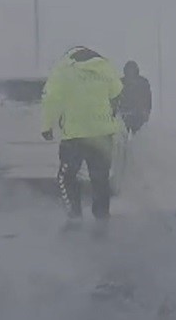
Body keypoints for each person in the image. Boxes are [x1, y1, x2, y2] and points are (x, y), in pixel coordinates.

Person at [41, 46, 123, 232]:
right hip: (102, 134)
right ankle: (102, 217)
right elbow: (117, 91)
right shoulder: (105, 67)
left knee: (66, 176)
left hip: (75, 136)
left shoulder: (63, 69)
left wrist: (47, 126)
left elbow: (51, 98)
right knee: (100, 177)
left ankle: (74, 215)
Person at [119, 60, 152, 135]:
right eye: (128, 70)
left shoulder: (143, 82)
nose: (130, 72)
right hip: (124, 112)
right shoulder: (120, 82)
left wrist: (147, 111)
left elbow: (148, 97)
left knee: (137, 135)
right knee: (123, 134)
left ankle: (136, 145)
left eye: (132, 69)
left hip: (138, 113)